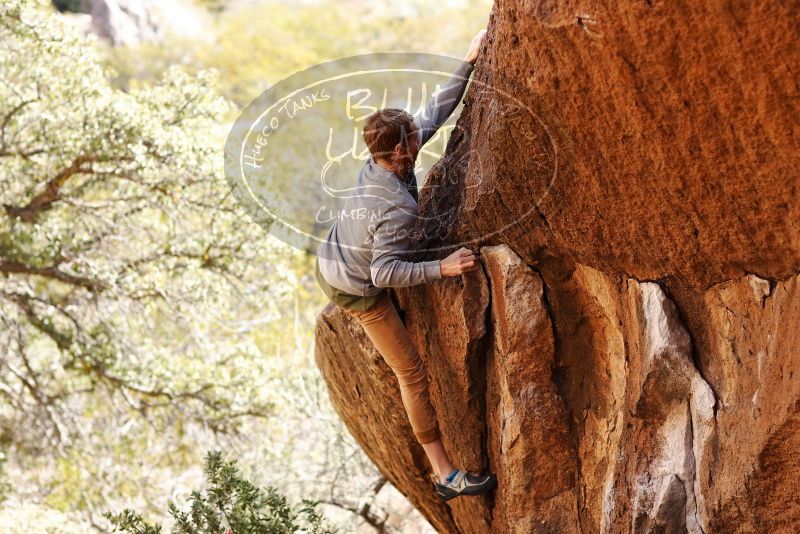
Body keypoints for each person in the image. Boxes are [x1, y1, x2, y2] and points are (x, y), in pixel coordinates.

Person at [315, 30, 496, 502]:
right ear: (401, 152)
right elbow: (384, 275)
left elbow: (433, 113)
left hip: (341, 248)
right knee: (412, 372)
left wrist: (469, 62)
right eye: (413, 138)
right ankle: (446, 475)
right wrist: (444, 268)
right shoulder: (397, 206)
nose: (420, 135)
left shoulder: (382, 157)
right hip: (356, 288)